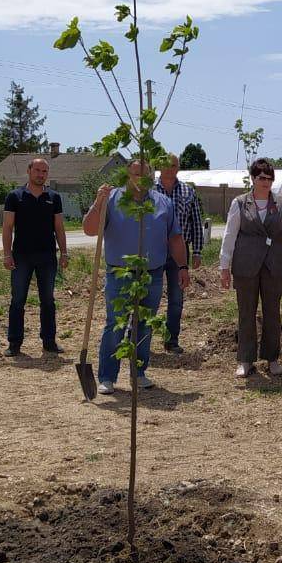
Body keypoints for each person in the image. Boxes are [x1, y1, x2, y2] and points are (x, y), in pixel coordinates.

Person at [83, 159, 190, 394]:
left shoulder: (163, 203)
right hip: (119, 273)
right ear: (127, 175)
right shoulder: (112, 198)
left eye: (144, 175)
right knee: (116, 324)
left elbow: (174, 237)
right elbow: (90, 229)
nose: (139, 179)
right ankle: (107, 377)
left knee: (145, 325)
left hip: (152, 275)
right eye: (135, 174)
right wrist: (98, 202)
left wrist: (183, 266)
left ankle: (138, 372)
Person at [218, 158, 282, 377]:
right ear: (253, 179)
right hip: (245, 265)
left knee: (272, 312)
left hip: (274, 265)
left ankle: (272, 358)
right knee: (246, 312)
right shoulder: (240, 203)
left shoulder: (281, 202)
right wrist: (224, 267)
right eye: (261, 178)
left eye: (269, 178)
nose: (266, 182)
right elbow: (229, 235)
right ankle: (246, 360)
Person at [1, 158, 68, 356]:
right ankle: (14, 343)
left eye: (44, 171)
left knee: (47, 300)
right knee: (18, 300)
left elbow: (59, 227)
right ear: (29, 171)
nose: (41, 174)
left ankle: (49, 341)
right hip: (21, 256)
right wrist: (7, 254)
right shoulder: (15, 196)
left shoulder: (54, 197)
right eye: (37, 170)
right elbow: (7, 227)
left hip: (47, 257)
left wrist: (64, 252)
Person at [155, 152, 206, 354]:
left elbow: (196, 222)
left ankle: (171, 340)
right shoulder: (149, 190)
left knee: (176, 299)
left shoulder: (187, 191)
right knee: (148, 295)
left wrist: (197, 251)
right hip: (154, 249)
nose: (171, 169)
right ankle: (139, 338)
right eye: (167, 165)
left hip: (180, 251)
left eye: (174, 165)